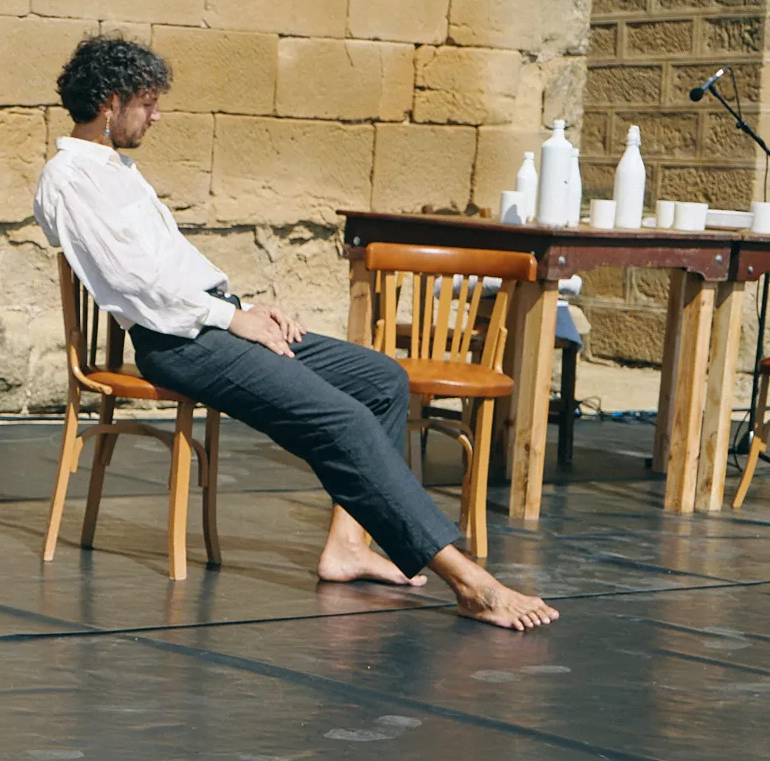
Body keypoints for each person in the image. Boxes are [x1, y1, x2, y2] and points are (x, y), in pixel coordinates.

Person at [33, 35, 558, 631]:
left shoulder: (116, 172)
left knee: (381, 380)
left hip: (211, 322)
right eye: (147, 103)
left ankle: (348, 548)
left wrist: (248, 306)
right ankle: (472, 583)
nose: (157, 115)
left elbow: (170, 270)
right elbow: (134, 287)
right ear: (109, 102)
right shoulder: (71, 178)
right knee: (344, 422)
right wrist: (235, 319)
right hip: (180, 344)